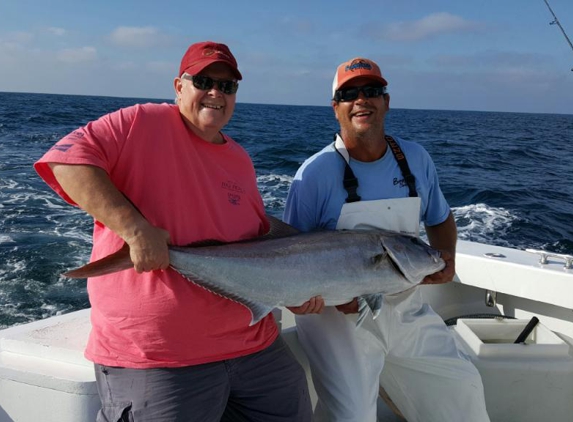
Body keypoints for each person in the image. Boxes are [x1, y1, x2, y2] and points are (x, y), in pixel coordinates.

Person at [34, 41, 311, 422]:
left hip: (253, 345)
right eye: (204, 81)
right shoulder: (139, 122)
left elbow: (258, 245)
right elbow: (65, 161)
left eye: (228, 86)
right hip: (160, 356)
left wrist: (291, 289)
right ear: (179, 86)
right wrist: (135, 230)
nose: (216, 93)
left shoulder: (240, 160)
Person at [284, 57, 490, 422]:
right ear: (336, 109)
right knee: (351, 415)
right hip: (338, 318)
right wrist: (321, 299)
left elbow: (440, 219)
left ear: (386, 101)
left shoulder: (414, 158)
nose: (362, 100)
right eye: (349, 94)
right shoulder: (314, 173)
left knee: (462, 388)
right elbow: (288, 257)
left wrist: (448, 258)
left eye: (372, 91)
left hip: (405, 304)